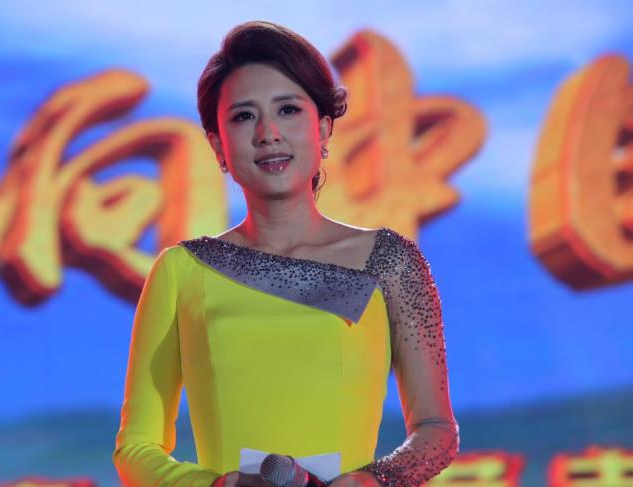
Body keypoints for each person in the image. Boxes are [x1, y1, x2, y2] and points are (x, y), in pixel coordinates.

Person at [113, 20, 459, 487]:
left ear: (323, 129)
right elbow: (135, 449)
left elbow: (437, 430)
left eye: (289, 110)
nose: (268, 133)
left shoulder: (389, 262)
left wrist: (377, 480)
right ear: (217, 145)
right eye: (243, 117)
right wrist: (218, 486)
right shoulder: (181, 271)